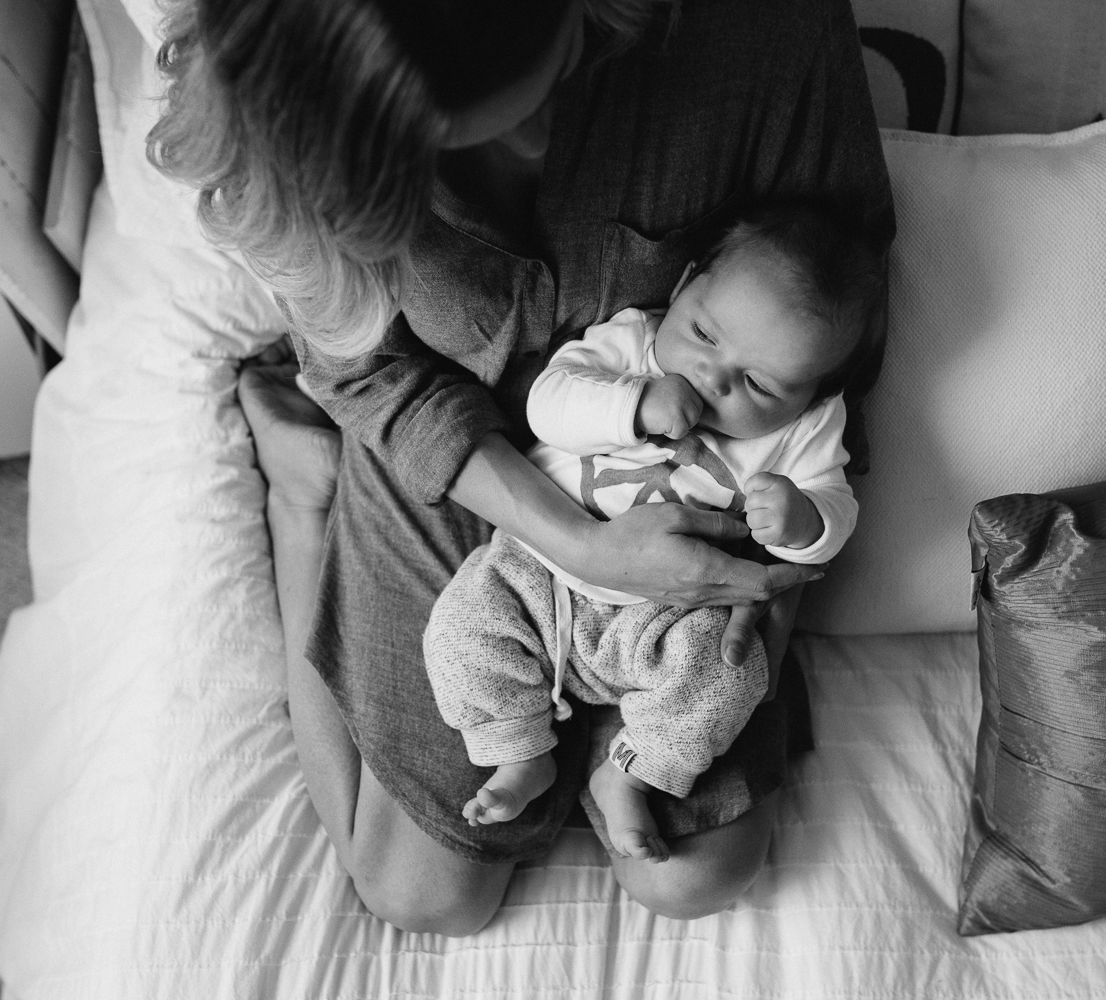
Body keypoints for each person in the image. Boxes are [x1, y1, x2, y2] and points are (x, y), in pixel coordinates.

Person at [150, 0, 894, 933]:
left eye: (562, 66)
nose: (547, 139)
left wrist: (761, 570)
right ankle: (305, 494)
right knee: (423, 897)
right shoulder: (287, 126)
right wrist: (582, 547)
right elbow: (370, 370)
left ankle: (603, 757)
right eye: (464, 135)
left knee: (695, 875)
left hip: (696, 510)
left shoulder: (760, 28)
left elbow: (837, 329)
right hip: (452, 442)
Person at [423, 200, 881, 863]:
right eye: (704, 335)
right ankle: (519, 750)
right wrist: (634, 404)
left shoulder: (806, 430)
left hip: (672, 613)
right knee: (461, 627)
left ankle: (630, 773)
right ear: (683, 285)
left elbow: (834, 514)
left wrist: (803, 519)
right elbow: (548, 404)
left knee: (730, 675)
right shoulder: (630, 342)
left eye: (756, 384)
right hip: (538, 570)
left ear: (811, 396)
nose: (713, 377)